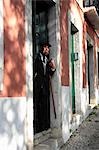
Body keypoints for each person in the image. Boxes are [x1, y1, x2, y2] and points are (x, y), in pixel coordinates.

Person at [34, 42, 56, 134]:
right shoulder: (37, 58)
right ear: (41, 48)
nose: (47, 50)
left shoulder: (47, 60)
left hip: (45, 88)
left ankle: (44, 125)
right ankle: (37, 127)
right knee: (37, 106)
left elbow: (49, 73)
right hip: (37, 87)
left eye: (48, 48)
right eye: (46, 48)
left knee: (44, 106)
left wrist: (53, 67)